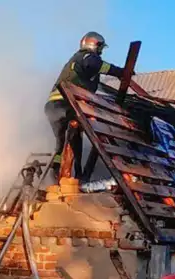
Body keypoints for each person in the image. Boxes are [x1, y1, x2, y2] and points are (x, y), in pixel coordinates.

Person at [45, 31, 125, 182]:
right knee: (75, 137)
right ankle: (78, 174)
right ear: (93, 45)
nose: (101, 52)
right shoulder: (86, 56)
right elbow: (95, 64)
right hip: (65, 105)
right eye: (100, 47)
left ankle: (57, 173)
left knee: (62, 143)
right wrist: (119, 72)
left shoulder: (77, 62)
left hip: (53, 106)